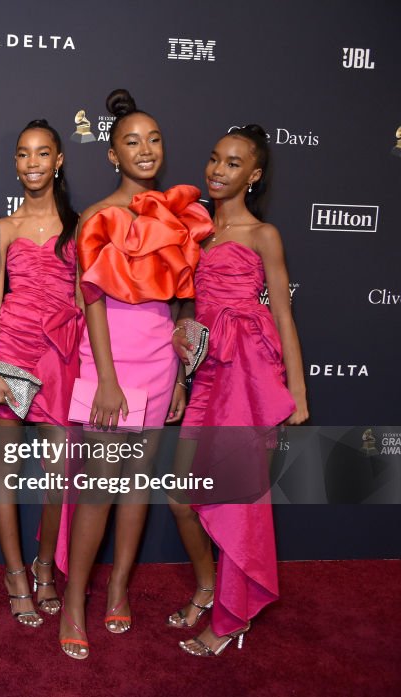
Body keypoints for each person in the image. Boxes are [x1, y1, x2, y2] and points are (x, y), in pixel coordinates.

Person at [59, 89, 211, 659]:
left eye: (153, 140)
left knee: (135, 491)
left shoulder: (176, 217)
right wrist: (107, 380)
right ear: (112, 155)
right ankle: (74, 601)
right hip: (112, 365)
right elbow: (91, 301)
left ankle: (118, 588)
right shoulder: (98, 217)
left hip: (158, 361)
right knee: (101, 489)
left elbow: (179, 305)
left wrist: (177, 377)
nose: (145, 150)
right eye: (131, 142)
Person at [167, 125, 308, 656]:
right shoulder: (195, 231)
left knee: (232, 497)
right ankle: (209, 588)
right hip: (205, 372)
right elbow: (187, 310)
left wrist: (297, 389)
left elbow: (284, 315)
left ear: (254, 175)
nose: (218, 171)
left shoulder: (262, 234)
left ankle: (231, 618)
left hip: (245, 374)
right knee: (183, 497)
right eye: (214, 159)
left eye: (233, 163)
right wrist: (181, 367)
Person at [0, 120, 81, 628]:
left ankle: (45, 565)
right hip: (12, 356)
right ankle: (15, 572)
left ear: (59, 161)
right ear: (15, 164)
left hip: (61, 360)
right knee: (7, 474)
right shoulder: (4, 228)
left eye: (43, 154)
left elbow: (87, 305)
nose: (33, 163)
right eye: (24, 154)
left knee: (57, 476)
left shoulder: (81, 227)